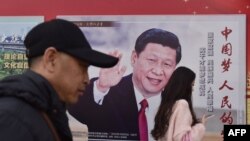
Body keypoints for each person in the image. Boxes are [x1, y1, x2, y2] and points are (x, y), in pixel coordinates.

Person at [0, 19, 118, 141]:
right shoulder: (13, 119)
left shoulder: (46, 110)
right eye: (82, 67)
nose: (87, 80)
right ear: (51, 59)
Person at [68, 28, 182, 140]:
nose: (157, 71)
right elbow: (76, 108)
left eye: (167, 64)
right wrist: (101, 87)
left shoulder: (178, 106)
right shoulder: (108, 92)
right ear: (134, 58)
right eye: (152, 60)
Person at [151, 66, 210, 141]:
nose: (193, 89)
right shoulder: (182, 105)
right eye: (192, 85)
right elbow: (184, 139)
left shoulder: (164, 108)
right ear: (184, 85)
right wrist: (201, 126)